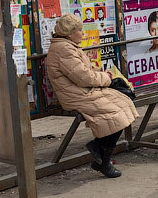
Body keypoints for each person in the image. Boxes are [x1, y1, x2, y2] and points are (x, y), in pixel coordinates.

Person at [45, 14, 137, 178]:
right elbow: (83, 77)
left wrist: (102, 74)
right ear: (69, 33)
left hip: (84, 91)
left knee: (125, 102)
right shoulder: (64, 49)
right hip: (76, 95)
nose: (82, 33)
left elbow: (84, 72)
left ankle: (99, 150)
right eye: (79, 30)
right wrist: (106, 79)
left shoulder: (68, 46)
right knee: (115, 114)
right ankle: (103, 159)